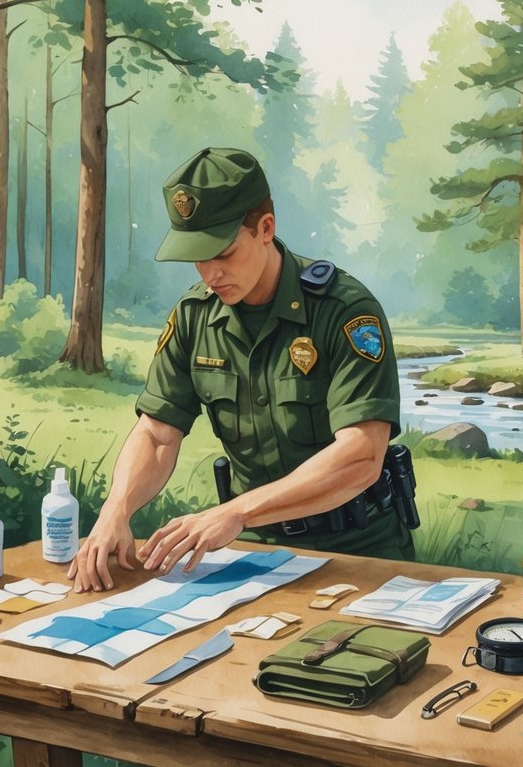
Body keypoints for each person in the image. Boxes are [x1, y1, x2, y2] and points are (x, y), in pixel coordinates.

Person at [68, 147, 412, 592]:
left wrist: (236, 511)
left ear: (265, 228)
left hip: (359, 552)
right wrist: (117, 509)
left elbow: (362, 456)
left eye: (223, 253)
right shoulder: (195, 317)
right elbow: (156, 435)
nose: (210, 273)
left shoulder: (343, 311)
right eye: (197, 256)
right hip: (253, 556)